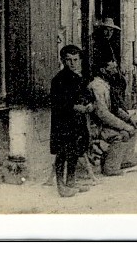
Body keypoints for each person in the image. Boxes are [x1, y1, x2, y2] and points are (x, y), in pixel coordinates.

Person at [50, 45, 94, 197]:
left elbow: (88, 95)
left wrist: (89, 103)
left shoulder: (78, 78)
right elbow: (58, 103)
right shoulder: (58, 80)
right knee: (62, 152)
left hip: (77, 122)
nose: (72, 63)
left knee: (75, 151)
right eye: (68, 60)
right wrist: (76, 107)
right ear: (62, 61)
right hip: (63, 122)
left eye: (75, 60)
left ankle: (71, 181)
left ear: (80, 60)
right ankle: (61, 186)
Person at [88, 58, 137, 176]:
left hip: (103, 123)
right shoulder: (97, 87)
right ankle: (110, 168)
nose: (115, 71)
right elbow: (103, 114)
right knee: (122, 133)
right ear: (102, 70)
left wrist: (129, 119)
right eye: (112, 68)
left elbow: (115, 109)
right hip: (95, 126)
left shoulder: (105, 84)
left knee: (133, 125)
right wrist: (124, 126)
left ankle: (124, 160)